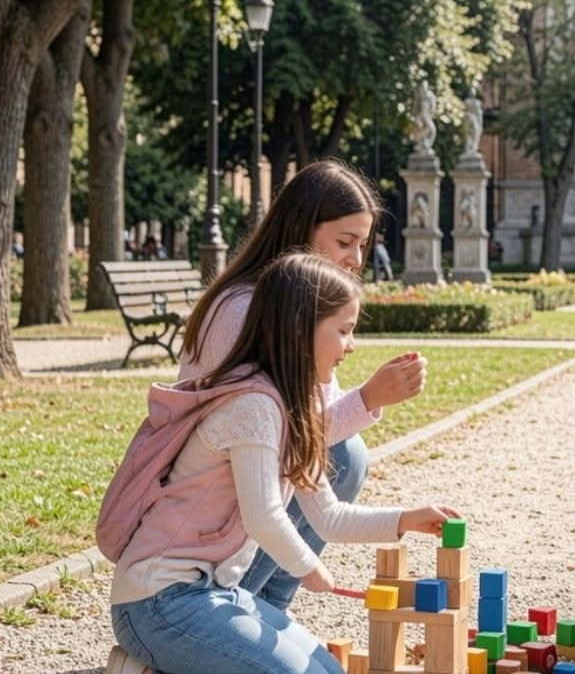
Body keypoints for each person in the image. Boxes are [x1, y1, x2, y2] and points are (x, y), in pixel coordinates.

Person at [108, 253, 460, 674]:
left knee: (330, 670)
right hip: (157, 600)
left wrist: (407, 519)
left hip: (216, 592)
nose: (352, 346)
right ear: (299, 330)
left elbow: (328, 516)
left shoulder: (292, 405)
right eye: (344, 331)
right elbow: (264, 516)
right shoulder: (253, 406)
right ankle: (155, 659)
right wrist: (309, 567)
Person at [179, 159, 427, 614]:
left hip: (249, 477)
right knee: (344, 454)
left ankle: (270, 611)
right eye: (345, 242)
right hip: (210, 501)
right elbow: (274, 433)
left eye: (363, 244)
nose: (356, 259)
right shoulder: (247, 309)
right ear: (300, 228)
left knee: (343, 453)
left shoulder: (298, 306)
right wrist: (369, 398)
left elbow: (311, 423)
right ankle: (236, 608)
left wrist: (407, 520)